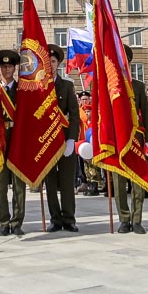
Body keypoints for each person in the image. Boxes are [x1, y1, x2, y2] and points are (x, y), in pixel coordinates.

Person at [113, 45, 148, 234]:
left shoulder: (137, 85)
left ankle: (137, 219)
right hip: (116, 139)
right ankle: (124, 218)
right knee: (119, 182)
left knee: (138, 179)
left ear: (128, 62)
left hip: (136, 137)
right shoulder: (110, 84)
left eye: (124, 60)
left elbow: (145, 111)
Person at [44, 44, 81, 233]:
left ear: (58, 63)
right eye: (47, 61)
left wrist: (71, 140)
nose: (49, 64)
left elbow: (74, 115)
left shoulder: (67, 85)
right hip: (46, 141)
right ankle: (55, 219)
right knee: (50, 182)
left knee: (67, 182)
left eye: (53, 61)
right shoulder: (39, 86)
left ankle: (69, 218)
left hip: (64, 139)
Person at [0, 49, 26, 236]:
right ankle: (3, 222)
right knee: (0, 184)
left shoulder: (22, 90)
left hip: (17, 138)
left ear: (15, 68)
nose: (6, 70)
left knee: (19, 183)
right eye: (3, 66)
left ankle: (17, 221)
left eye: (10, 66)